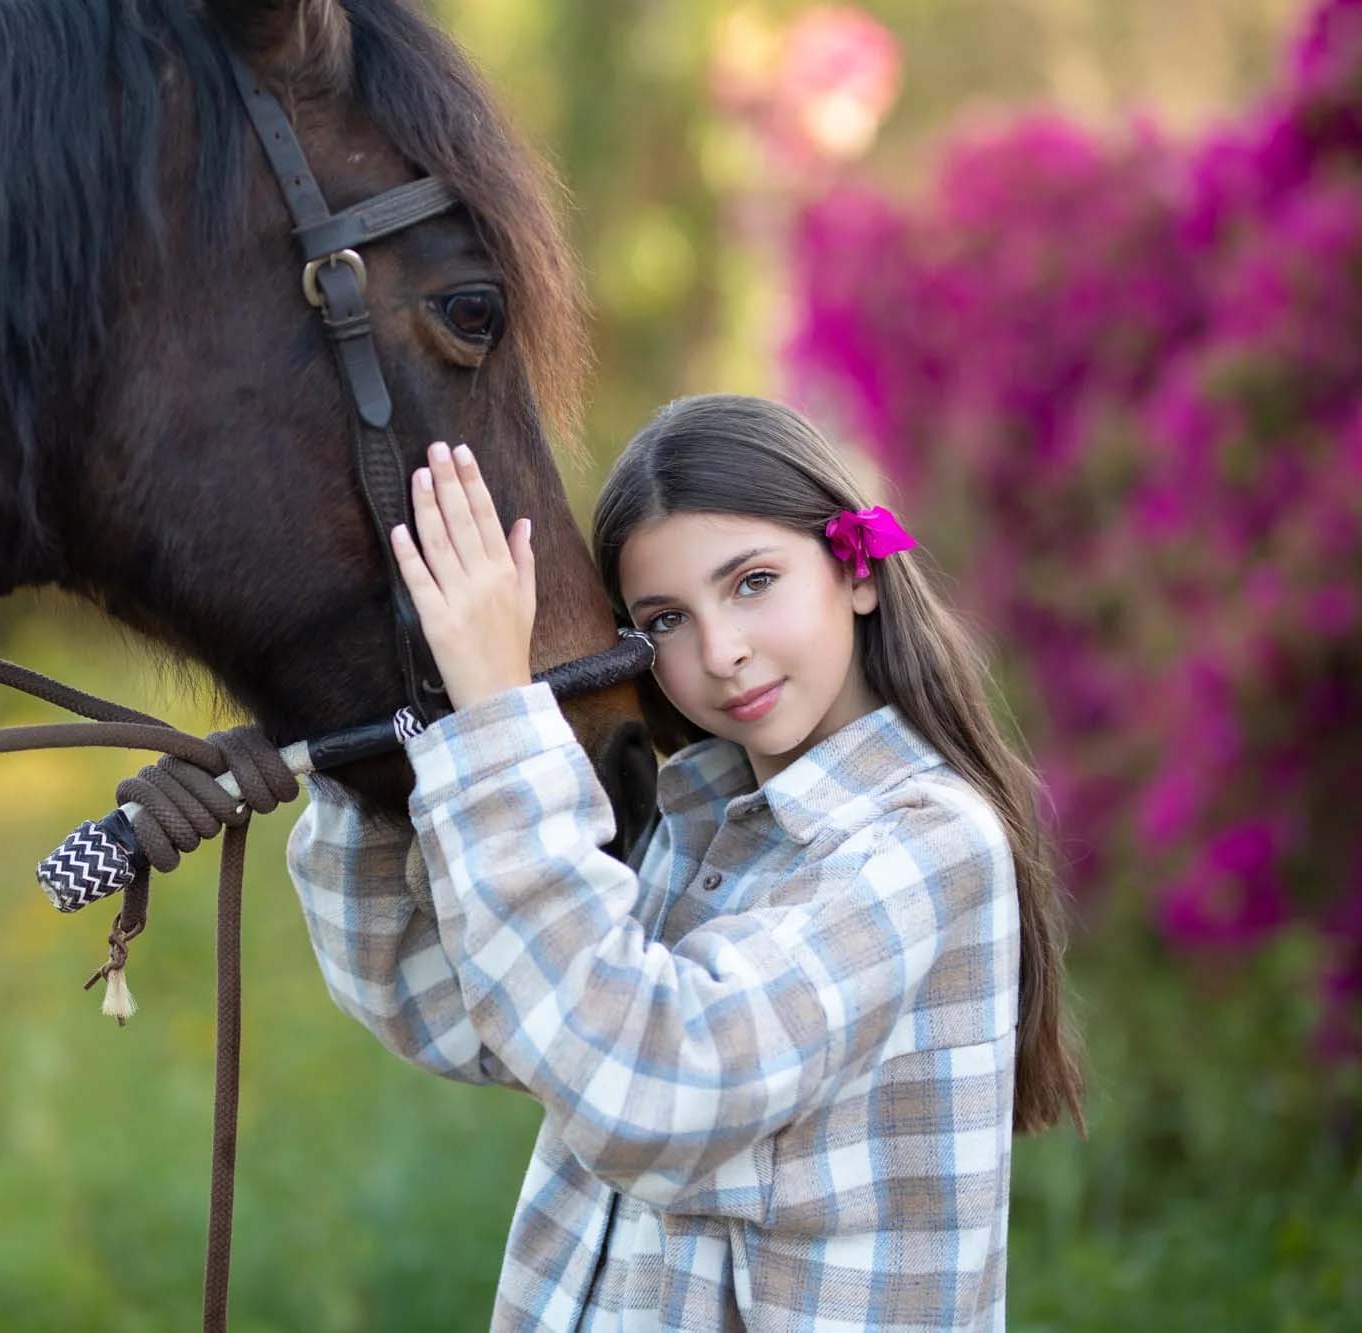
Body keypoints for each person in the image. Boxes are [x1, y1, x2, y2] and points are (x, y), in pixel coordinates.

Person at [284, 393, 1086, 1331]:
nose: (723, 651)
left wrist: (500, 722)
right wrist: (370, 744)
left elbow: (659, 1084)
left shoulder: (927, 839)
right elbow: (449, 1005)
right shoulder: (694, 817)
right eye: (665, 619)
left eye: (752, 581)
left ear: (856, 569)